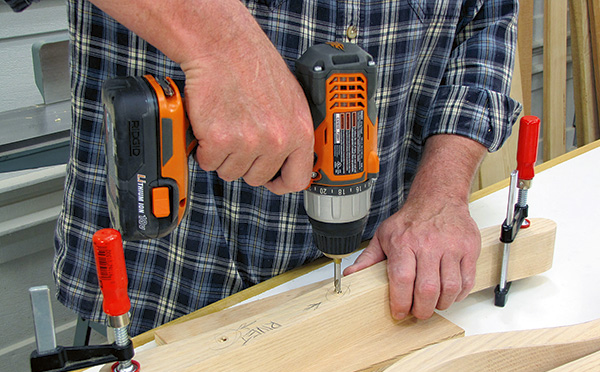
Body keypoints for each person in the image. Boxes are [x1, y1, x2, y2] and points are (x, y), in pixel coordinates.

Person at [6, 0, 521, 336]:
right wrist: (221, 44)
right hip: (155, 283)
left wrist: (440, 192)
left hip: (370, 281)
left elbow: (487, 22)